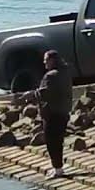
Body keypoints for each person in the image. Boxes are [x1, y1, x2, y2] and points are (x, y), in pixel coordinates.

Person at [35, 50, 73, 178]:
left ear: (52, 60)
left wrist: (31, 95)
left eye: (46, 60)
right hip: (64, 111)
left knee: (52, 142)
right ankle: (58, 167)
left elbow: (45, 93)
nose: (44, 62)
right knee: (59, 141)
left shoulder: (51, 76)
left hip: (52, 113)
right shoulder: (65, 72)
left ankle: (57, 168)